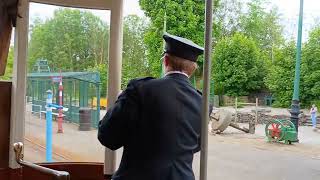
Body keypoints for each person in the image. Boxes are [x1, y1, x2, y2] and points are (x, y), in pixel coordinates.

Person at [98, 32, 204, 180]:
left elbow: (108, 137)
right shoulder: (203, 103)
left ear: (166, 60)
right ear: (193, 69)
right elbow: (196, 146)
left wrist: (120, 102)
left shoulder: (140, 89)